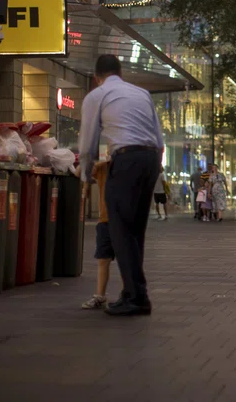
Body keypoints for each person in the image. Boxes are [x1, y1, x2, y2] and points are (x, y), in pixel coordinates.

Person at [79, 54, 163, 316]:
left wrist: (86, 175)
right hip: (150, 159)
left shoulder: (97, 95)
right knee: (136, 230)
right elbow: (159, 139)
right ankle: (130, 292)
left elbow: (88, 143)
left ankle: (137, 297)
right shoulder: (142, 93)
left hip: (126, 159)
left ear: (97, 77)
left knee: (120, 229)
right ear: (121, 72)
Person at [82, 160, 118, 310]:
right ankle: (99, 295)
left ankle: (129, 295)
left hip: (125, 221)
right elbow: (80, 171)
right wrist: (95, 163)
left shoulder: (130, 164)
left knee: (127, 260)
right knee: (103, 259)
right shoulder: (103, 167)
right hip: (105, 220)